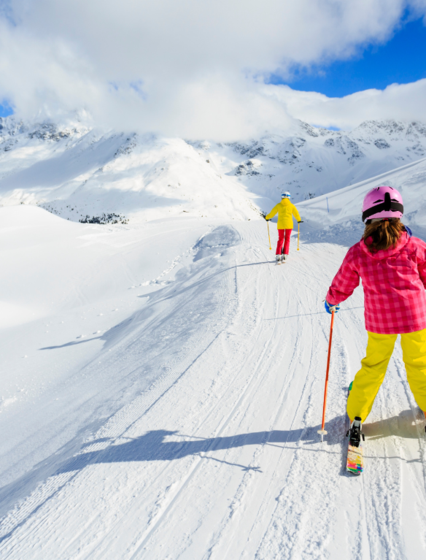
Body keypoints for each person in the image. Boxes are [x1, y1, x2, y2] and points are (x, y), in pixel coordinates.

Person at [325, 185, 426, 436]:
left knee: (374, 366)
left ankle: (357, 415)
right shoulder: (415, 245)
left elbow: (344, 281)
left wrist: (333, 299)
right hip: (416, 318)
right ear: (399, 216)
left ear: (367, 217)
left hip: (381, 323)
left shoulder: (359, 252)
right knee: (420, 364)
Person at [264, 192, 302, 263]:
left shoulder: (278, 205)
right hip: (289, 225)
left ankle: (278, 254)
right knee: (287, 239)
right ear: (289, 198)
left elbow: (272, 213)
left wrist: (267, 217)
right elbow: (296, 214)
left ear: (282, 197)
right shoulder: (291, 206)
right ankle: (285, 254)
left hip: (280, 225)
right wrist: (299, 220)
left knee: (281, 239)